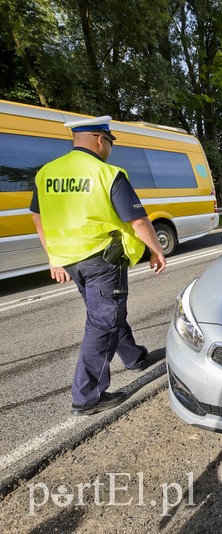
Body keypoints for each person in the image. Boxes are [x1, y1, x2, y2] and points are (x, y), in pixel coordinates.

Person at [30, 115, 167, 416]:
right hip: (103, 260)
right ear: (100, 139)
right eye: (109, 143)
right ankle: (87, 397)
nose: (109, 150)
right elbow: (138, 220)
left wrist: (53, 257)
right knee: (103, 323)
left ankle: (134, 357)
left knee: (105, 313)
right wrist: (156, 251)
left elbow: (38, 218)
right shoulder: (107, 173)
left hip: (71, 260)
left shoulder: (46, 173)